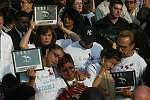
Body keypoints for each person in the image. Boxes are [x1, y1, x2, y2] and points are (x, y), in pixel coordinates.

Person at [112, 30, 147, 99]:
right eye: (118, 46)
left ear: (132, 46)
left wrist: (132, 94)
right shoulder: (111, 57)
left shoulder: (140, 62)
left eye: (123, 47)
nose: (119, 49)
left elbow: (145, 88)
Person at [0, 10, 15, 81]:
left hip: (6, 82)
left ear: (3, 21)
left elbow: (11, 60)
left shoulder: (8, 38)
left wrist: (13, 76)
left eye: (0, 23)